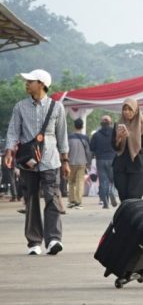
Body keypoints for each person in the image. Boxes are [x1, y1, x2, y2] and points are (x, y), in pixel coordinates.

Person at [3, 69, 70, 255]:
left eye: (30, 81)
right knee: (31, 200)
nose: (27, 84)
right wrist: (9, 151)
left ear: (41, 84)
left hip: (50, 160)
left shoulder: (57, 108)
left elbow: (62, 136)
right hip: (27, 162)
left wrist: (65, 161)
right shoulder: (20, 107)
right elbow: (13, 131)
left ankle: (54, 239)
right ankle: (34, 242)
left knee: (52, 198)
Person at [111, 99, 143, 201]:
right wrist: (118, 139)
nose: (126, 112)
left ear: (136, 110)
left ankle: (133, 216)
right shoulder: (117, 124)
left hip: (138, 165)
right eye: (124, 109)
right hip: (121, 165)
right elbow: (114, 147)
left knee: (134, 196)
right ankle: (125, 217)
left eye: (130, 109)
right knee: (123, 194)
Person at [89, 115, 120, 209]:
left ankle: (105, 201)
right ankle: (112, 191)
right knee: (114, 179)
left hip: (100, 160)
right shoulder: (114, 133)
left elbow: (91, 148)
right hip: (113, 159)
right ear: (110, 123)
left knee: (103, 181)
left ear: (101, 123)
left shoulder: (96, 135)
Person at [66, 119, 93, 209]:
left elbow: (66, 150)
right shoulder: (85, 138)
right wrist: (89, 163)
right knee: (80, 182)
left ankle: (71, 201)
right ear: (82, 126)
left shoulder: (69, 137)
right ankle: (78, 201)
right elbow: (88, 152)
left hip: (71, 162)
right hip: (82, 162)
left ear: (74, 126)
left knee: (71, 182)